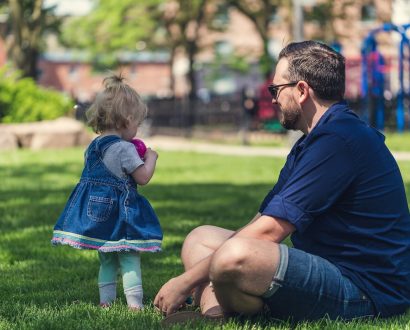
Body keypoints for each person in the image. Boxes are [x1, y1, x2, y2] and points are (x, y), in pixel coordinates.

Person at [154, 40, 410, 323]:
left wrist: (186, 281)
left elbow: (269, 233)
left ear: (301, 91)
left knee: (234, 256)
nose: (273, 98)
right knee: (200, 240)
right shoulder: (315, 140)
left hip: (365, 290)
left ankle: (240, 308)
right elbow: (261, 221)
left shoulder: (338, 141)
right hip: (329, 267)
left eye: (276, 89)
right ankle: (216, 317)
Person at [51, 74, 162, 311]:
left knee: (107, 257)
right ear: (128, 119)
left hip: (97, 213)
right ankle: (135, 305)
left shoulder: (93, 146)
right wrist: (150, 158)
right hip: (120, 215)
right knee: (130, 255)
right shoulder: (124, 149)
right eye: (137, 124)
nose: (137, 129)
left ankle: (106, 303)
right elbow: (142, 178)